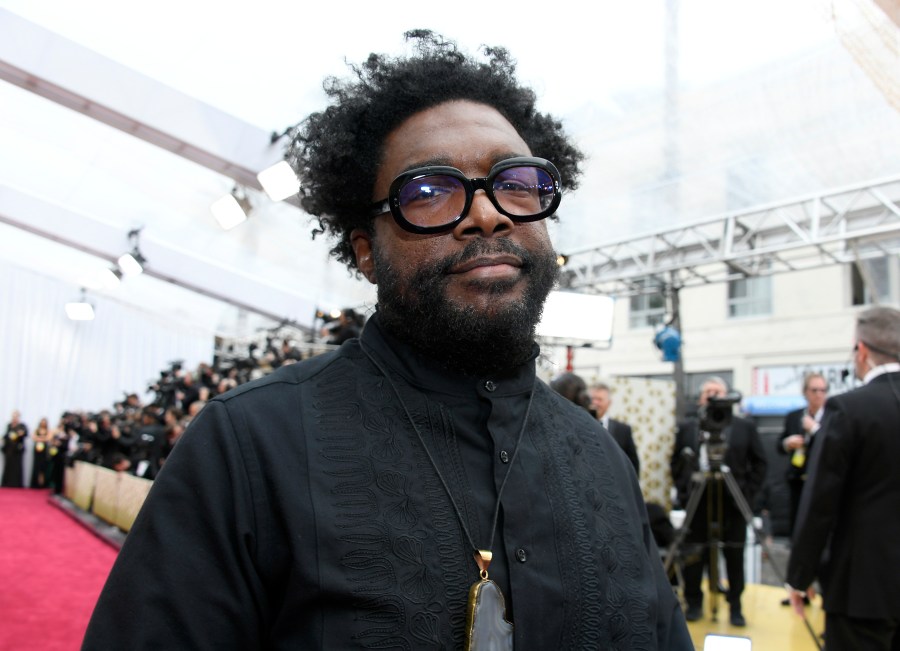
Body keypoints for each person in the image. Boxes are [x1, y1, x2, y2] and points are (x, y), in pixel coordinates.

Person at [82, 30, 691, 650]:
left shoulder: (602, 457)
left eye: (517, 181)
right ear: (367, 252)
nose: (489, 214)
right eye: (429, 192)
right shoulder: (249, 447)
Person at [786, 306, 900, 651]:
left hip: (862, 588)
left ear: (862, 350)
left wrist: (799, 576)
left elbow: (821, 502)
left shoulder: (849, 409)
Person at [670, 376, 767, 627]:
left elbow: (760, 463)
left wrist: (747, 494)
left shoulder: (744, 426)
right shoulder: (689, 427)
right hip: (697, 500)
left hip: (733, 501)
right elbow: (676, 463)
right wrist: (683, 492)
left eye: (717, 392)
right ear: (701, 398)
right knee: (693, 554)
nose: (712, 397)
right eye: (708, 392)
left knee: (734, 555)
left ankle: (735, 606)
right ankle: (693, 603)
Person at [778, 372, 828, 538]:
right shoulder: (794, 416)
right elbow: (779, 445)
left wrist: (815, 429)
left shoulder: (832, 416)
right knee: (798, 524)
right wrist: (788, 443)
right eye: (814, 390)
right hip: (798, 478)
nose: (818, 394)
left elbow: (834, 444)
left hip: (822, 480)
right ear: (805, 392)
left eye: (823, 390)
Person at [589, 382, 640, 475]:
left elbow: (633, 464)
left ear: (609, 403)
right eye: (593, 399)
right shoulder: (578, 426)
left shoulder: (623, 430)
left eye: (599, 399)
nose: (595, 403)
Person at [2, 410, 28, 488]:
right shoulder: (9, 425)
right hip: (9, 449)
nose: (14, 418)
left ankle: (17, 484)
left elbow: (25, 434)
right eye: (13, 416)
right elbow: (7, 435)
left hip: (17, 450)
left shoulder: (22, 426)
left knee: (17, 467)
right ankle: (7, 483)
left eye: (16, 416)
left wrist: (21, 433)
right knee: (8, 466)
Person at [29, 416, 53, 488]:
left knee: (42, 467)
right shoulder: (37, 430)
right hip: (37, 450)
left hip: (44, 451)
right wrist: (40, 438)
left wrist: (40, 438)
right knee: (36, 466)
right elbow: (33, 437)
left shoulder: (48, 430)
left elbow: (49, 438)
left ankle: (42, 483)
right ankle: (34, 483)